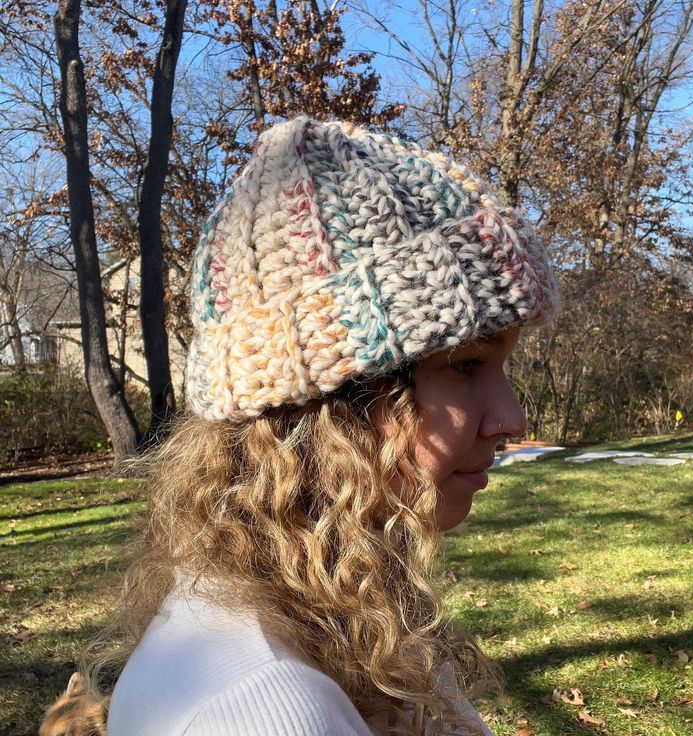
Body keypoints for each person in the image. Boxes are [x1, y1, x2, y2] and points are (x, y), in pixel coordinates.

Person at [79, 116, 558, 736]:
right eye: (466, 364)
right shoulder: (265, 708)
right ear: (322, 408)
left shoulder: (341, 609)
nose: (513, 418)